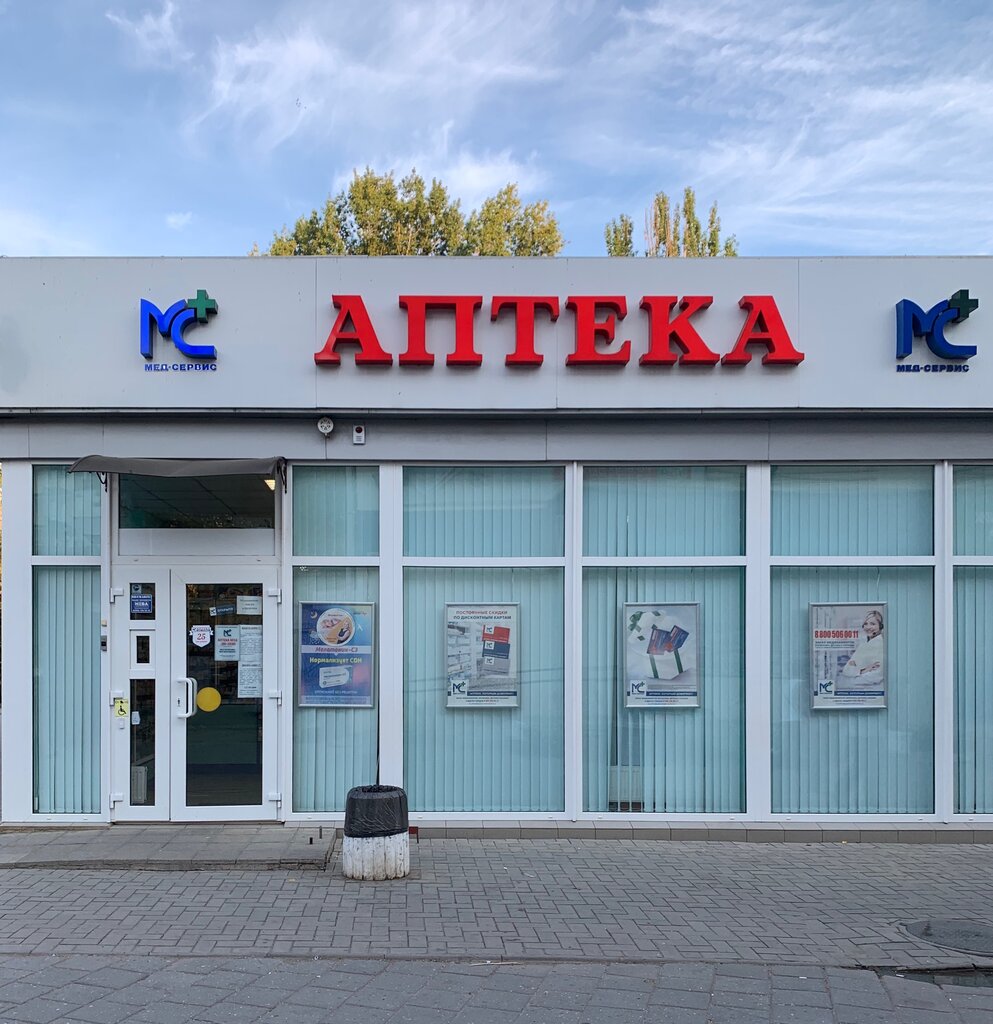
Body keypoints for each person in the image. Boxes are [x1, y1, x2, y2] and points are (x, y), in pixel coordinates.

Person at [841, 610, 884, 684]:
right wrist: (864, 670)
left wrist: (854, 671)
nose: (868, 627)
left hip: (870, 688)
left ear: (880, 626)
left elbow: (876, 676)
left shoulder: (880, 645)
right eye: (865, 624)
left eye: (872, 624)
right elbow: (846, 670)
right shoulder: (864, 645)